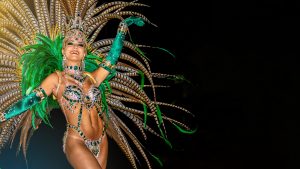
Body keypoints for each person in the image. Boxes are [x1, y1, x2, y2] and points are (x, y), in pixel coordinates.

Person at [0, 0, 195, 169]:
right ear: (63, 50)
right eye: (70, 43)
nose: (75, 47)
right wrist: (4, 114)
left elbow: (111, 60)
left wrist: (121, 30)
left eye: (80, 44)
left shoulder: (92, 77)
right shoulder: (56, 79)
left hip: (101, 140)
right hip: (77, 141)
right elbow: (31, 98)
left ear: (85, 52)